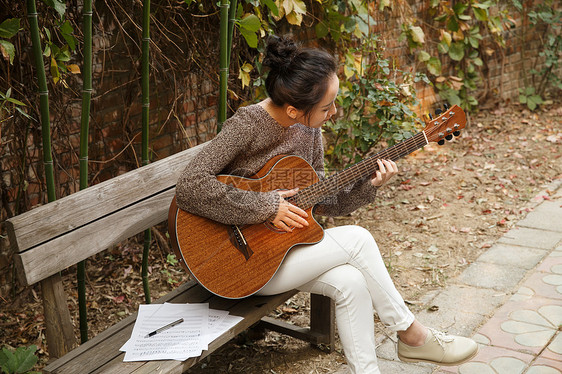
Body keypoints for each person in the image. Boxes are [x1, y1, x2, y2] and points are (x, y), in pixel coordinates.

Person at [176, 35, 478, 374]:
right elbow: (190, 185)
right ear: (293, 109)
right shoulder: (248, 125)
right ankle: (413, 336)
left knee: (351, 281)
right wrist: (266, 207)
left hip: (283, 251)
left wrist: (368, 185)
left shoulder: (309, 129)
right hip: (241, 263)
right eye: (326, 107)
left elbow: (323, 201)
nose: (334, 112)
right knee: (360, 240)